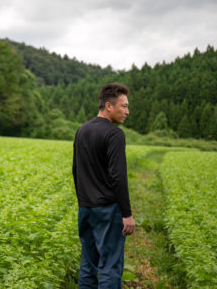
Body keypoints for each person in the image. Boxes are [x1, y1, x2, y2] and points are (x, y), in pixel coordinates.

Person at [72, 83, 135, 288]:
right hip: (108, 210)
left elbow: (76, 170)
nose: (127, 111)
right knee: (110, 266)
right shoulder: (115, 135)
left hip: (86, 208)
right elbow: (118, 177)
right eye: (123, 106)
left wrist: (84, 201)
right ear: (109, 105)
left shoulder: (82, 130)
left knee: (88, 265)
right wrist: (126, 214)